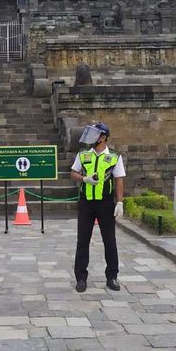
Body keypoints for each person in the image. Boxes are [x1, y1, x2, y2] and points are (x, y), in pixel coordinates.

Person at [70, 122, 125, 292]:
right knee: (83, 241)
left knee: (109, 241)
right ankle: (81, 278)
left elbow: (119, 179)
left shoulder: (115, 156)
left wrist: (120, 202)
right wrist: (84, 179)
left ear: (103, 137)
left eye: (95, 134)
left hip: (106, 203)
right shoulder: (83, 154)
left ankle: (112, 276)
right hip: (86, 202)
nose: (92, 138)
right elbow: (73, 173)